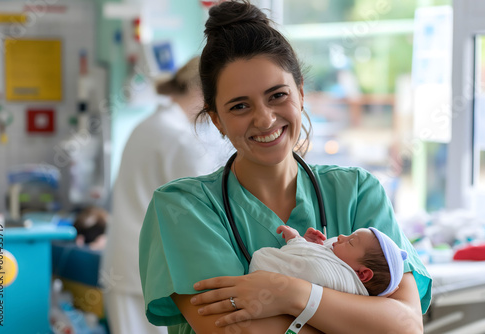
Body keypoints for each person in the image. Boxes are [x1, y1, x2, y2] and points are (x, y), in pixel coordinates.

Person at [139, 1, 432, 333]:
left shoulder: (358, 191)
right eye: (239, 106)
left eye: (277, 95)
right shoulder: (183, 208)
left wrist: (290, 293)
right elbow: (236, 330)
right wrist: (357, 318)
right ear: (217, 119)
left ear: (301, 93)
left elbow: (406, 326)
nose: (264, 118)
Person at [101, 56, 226, 334]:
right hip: (148, 272)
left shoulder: (149, 125)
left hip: (128, 265)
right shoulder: (180, 139)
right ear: (200, 91)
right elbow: (206, 209)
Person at [250, 225, 408, 297]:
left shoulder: (345, 283)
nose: (341, 237)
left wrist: (297, 241)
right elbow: (312, 260)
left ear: (363, 275)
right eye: (349, 234)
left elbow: (310, 268)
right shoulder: (344, 265)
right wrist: (309, 245)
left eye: (350, 242)